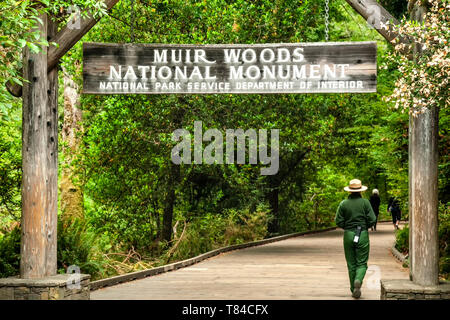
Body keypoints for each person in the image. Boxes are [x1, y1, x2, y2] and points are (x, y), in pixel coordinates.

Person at [335, 179, 377, 299]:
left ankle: (353, 288)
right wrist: (365, 227)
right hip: (362, 234)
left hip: (348, 234)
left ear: (349, 191)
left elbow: (338, 221)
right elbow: (373, 219)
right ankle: (358, 280)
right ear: (360, 191)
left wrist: (347, 227)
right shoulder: (365, 203)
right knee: (362, 263)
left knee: (351, 263)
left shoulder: (343, 203)